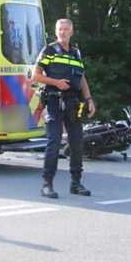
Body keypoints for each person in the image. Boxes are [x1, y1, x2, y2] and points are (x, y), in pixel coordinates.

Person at [32, 18, 96, 198]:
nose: (62, 32)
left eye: (66, 30)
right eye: (60, 29)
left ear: (71, 32)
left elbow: (82, 78)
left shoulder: (76, 53)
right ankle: (47, 184)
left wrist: (89, 99)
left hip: (73, 103)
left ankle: (76, 183)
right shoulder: (49, 50)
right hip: (54, 101)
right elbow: (35, 75)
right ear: (56, 32)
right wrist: (56, 83)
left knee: (77, 143)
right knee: (54, 143)